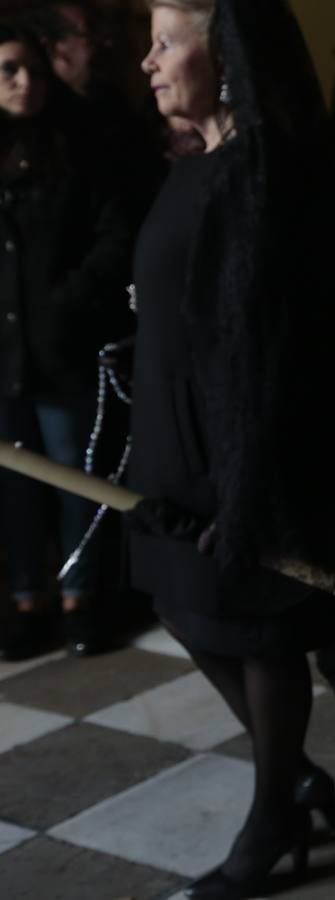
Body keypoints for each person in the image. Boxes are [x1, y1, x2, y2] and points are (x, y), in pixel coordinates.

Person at [129, 1, 335, 896]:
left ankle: (273, 813)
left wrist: (244, 485)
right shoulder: (195, 164)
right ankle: (292, 774)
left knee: (256, 627)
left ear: (227, 56)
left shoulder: (265, 173)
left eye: (166, 44)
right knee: (176, 600)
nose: (147, 63)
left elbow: (269, 344)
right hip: (174, 437)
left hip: (242, 447)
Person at [0, 21, 137, 659]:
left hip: (62, 348)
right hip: (3, 358)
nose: (21, 81)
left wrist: (66, 305)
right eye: (5, 70)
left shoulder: (80, 143)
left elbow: (113, 235)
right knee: (14, 489)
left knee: (75, 479)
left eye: (28, 67)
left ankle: (83, 599)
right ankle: (27, 600)